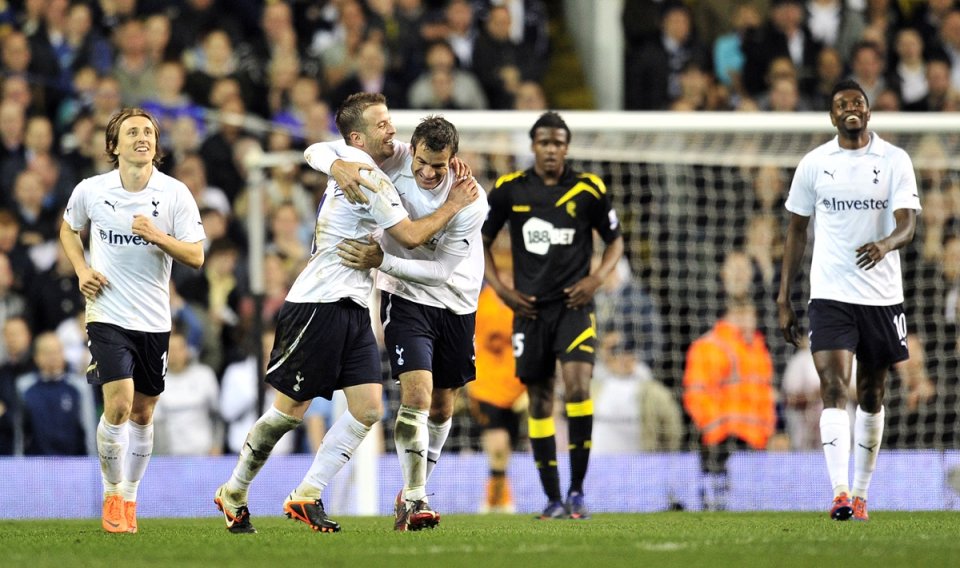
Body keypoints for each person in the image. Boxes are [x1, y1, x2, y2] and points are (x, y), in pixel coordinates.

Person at [213, 93, 478, 535]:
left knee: (368, 409)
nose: (391, 131)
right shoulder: (369, 177)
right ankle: (234, 490)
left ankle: (307, 494)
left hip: (355, 303)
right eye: (382, 124)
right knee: (289, 410)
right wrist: (453, 205)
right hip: (319, 301)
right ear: (358, 137)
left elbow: (316, 148)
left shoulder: (350, 158)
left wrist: (331, 162)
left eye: (390, 121)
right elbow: (410, 237)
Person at [303, 114, 488, 531]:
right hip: (405, 299)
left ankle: (411, 491)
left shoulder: (472, 201)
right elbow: (316, 148)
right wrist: (336, 165)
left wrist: (382, 259)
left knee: (443, 406)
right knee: (417, 397)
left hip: (457, 304)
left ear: (453, 161)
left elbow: (441, 272)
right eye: (421, 161)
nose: (425, 172)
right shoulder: (393, 160)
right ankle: (416, 500)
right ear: (414, 149)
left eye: (437, 167)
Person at [777, 79, 922, 522]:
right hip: (830, 294)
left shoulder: (894, 160)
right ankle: (839, 493)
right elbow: (797, 231)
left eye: (858, 102)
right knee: (834, 388)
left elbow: (908, 224)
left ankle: (861, 493)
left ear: (869, 112)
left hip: (880, 297)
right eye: (842, 104)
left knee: (871, 394)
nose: (851, 109)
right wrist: (784, 297)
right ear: (832, 116)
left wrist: (885, 244)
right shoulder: (815, 164)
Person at [60, 108, 206, 533]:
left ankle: (130, 496)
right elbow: (69, 229)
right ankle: (111, 492)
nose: (142, 137)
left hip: (154, 320)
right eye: (133, 132)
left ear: (156, 146)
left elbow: (196, 256)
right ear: (114, 146)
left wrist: (158, 236)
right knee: (119, 402)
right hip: (107, 313)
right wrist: (83, 270)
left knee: (143, 414)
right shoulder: (92, 190)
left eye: (149, 132)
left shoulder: (175, 194)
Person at [480, 111, 625, 520]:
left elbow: (615, 241)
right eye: (544, 142)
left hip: (574, 308)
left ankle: (577, 491)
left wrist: (596, 280)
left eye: (558, 142)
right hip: (529, 311)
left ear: (566, 146)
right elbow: (482, 242)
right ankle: (552, 498)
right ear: (533, 146)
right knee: (540, 399)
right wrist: (504, 291)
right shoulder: (509, 189)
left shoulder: (588, 188)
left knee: (578, 387)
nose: (551, 149)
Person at [683, 299, 776, 511]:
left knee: (751, 509)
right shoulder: (710, 346)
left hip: (755, 439)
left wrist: (768, 430)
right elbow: (696, 393)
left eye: (749, 314)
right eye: (739, 314)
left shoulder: (757, 348)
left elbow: (765, 392)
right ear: (726, 316)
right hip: (723, 440)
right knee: (720, 504)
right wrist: (715, 428)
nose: (746, 321)